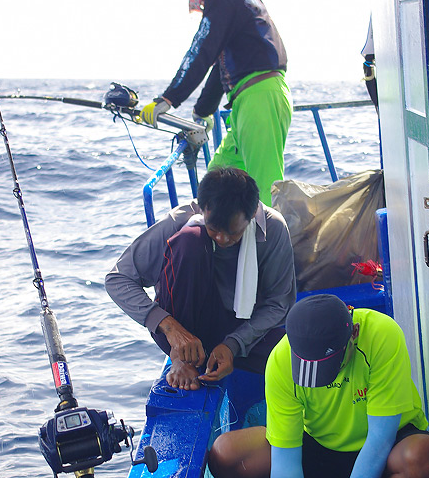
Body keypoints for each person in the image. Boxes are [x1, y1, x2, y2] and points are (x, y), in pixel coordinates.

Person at [208, 293, 429, 478]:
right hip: (319, 446)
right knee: (227, 454)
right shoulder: (280, 360)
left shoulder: (382, 334)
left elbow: (380, 438)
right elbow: (285, 458)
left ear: (353, 334)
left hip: (385, 449)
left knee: (428, 459)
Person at [105, 167, 296, 390]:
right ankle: (182, 358)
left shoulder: (273, 228)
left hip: (243, 328)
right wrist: (170, 328)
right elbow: (118, 279)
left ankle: (214, 354)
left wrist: (233, 344)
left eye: (233, 232)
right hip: (185, 328)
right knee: (190, 240)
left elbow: (278, 303)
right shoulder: (181, 220)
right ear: (203, 208)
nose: (223, 238)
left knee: (303, 358)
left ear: (253, 212)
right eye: (214, 229)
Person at [140, 0, 293, 206]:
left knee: (265, 193)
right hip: (247, 101)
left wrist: (168, 99)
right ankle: (223, 245)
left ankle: (273, 247)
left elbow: (202, 50)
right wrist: (203, 111)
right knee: (217, 182)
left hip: (261, 99)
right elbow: (219, 65)